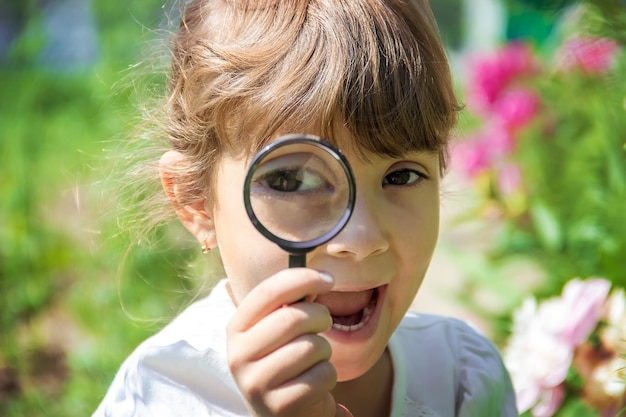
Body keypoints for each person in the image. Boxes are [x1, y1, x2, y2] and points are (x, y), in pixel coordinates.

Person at [94, 0, 518, 416]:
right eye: (291, 181)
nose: (362, 239)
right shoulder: (161, 395)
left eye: (401, 176)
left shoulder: (462, 376)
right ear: (197, 203)